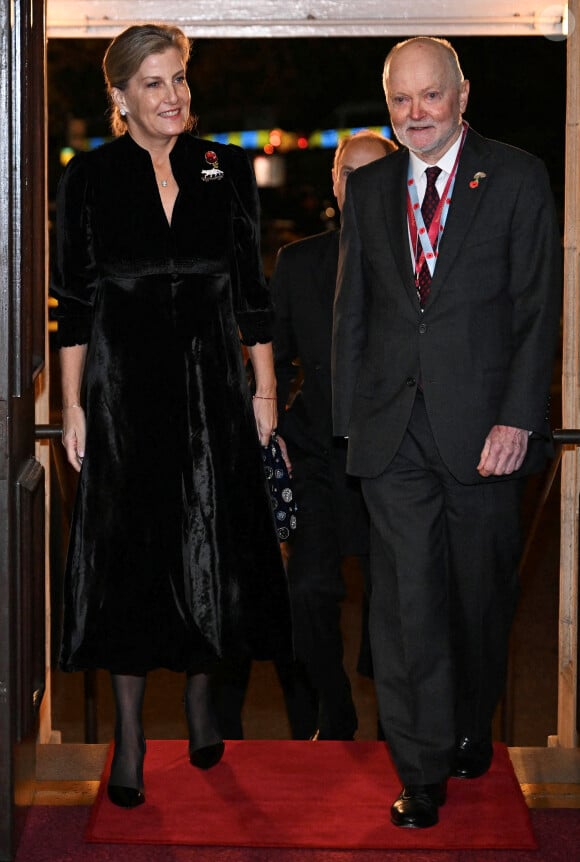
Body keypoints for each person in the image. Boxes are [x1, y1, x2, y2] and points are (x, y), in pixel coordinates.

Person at [51, 23, 292, 809]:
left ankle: (198, 701)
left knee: (210, 546)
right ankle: (127, 736)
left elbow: (250, 289)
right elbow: (76, 303)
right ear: (119, 96)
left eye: (180, 78)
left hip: (215, 388)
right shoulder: (89, 177)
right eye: (153, 82)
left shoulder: (223, 166)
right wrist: (70, 405)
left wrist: (263, 393)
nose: (173, 96)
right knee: (129, 554)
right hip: (124, 392)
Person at [332, 36, 561, 828]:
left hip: (486, 437)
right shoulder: (370, 190)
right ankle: (420, 765)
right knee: (404, 607)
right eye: (401, 99)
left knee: (480, 600)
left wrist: (519, 418)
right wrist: (350, 427)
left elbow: (539, 311)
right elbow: (351, 314)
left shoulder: (521, 178)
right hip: (395, 436)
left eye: (430, 95)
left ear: (463, 94)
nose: (415, 113)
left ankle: (471, 720)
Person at [270, 130, 397, 740]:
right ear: (335, 182)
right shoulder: (298, 263)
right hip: (316, 454)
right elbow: (273, 360)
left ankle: (395, 716)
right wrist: (272, 428)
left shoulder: (416, 264)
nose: (358, 185)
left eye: (373, 172)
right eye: (348, 172)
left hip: (394, 459)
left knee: (394, 604)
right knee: (307, 594)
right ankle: (335, 710)